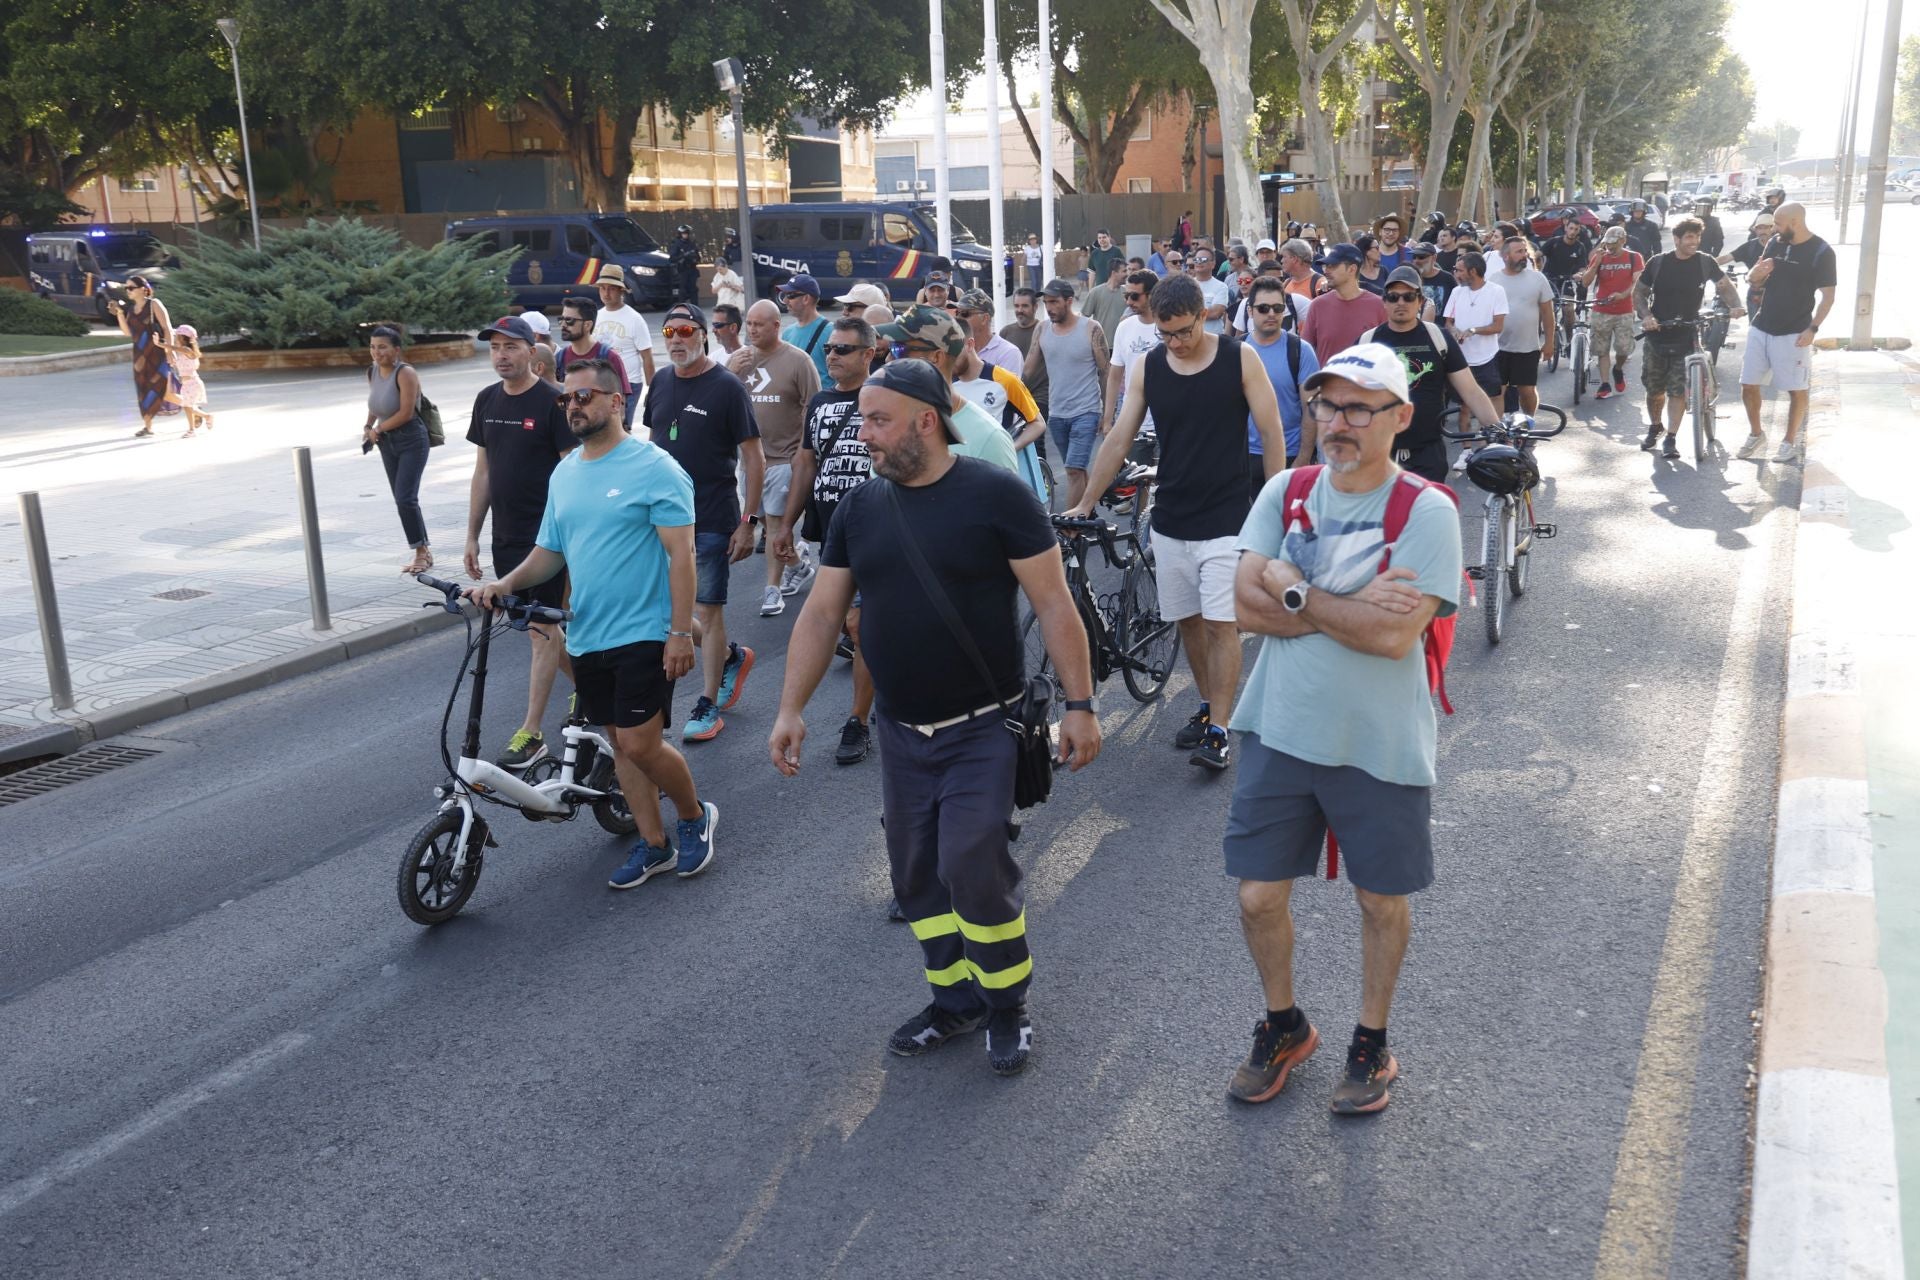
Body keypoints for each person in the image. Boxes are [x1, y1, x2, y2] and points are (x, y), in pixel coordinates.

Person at [769, 358, 1100, 1077]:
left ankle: (1007, 1003)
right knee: (917, 876)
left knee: (972, 863)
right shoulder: (859, 508)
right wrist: (790, 708)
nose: (864, 436)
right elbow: (824, 610)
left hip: (985, 725)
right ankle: (955, 1002)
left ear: (926, 420)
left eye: (877, 420)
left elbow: (1053, 605)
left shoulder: (996, 495)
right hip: (901, 731)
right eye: (861, 420)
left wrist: (1080, 706)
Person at [1224, 342, 1463, 1115]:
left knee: (1377, 901)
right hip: (1278, 729)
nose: (1339, 422)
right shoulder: (1287, 490)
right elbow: (1240, 606)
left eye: (1360, 408)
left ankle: (1372, 1039)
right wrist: (1344, 607)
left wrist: (1295, 590)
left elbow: (1394, 638)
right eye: (1328, 405)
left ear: (1401, 418)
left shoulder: (1426, 511)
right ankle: (1284, 1024)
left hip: (1379, 743)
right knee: (1259, 897)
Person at [470, 356, 719, 890]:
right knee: (617, 741)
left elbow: (682, 556)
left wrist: (680, 633)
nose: (573, 407)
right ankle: (654, 845)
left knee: (640, 743)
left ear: (616, 401)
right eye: (566, 399)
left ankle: (695, 815)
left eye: (583, 397)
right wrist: (503, 584)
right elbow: (548, 552)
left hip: (644, 631)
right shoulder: (565, 472)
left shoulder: (656, 468)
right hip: (587, 632)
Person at [1071, 272, 1287, 773]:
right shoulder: (1149, 366)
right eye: (1167, 335)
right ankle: (1211, 706)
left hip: (1229, 517)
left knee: (1220, 624)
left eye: (1184, 332)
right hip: (1171, 518)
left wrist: (1275, 505)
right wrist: (1084, 503)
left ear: (1203, 315)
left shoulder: (1239, 357)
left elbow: (1271, 432)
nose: (1177, 343)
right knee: (1188, 620)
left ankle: (1220, 730)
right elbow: (1120, 438)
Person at [642, 303, 765, 740]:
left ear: (703, 335)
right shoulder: (658, 382)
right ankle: (730, 656)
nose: (676, 338)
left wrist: (749, 521)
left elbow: (753, 456)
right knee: (665, 608)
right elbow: (650, 448)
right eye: (669, 331)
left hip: (711, 516)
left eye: (685, 330)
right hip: (659, 520)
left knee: (707, 610)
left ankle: (708, 704)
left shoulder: (727, 387)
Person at [463, 315, 578, 770]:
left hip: (549, 541)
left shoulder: (555, 402)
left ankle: (532, 733)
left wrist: (572, 536)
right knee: (543, 630)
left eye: (511, 347)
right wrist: (472, 535)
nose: (501, 355)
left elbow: (574, 474)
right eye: (495, 348)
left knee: (541, 631)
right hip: (505, 539)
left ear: (533, 351)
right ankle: (589, 689)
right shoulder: (486, 400)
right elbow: (484, 472)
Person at [777, 317, 884, 765]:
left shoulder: (883, 398)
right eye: (829, 350)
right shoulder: (820, 402)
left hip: (876, 526)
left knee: (861, 626)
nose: (833, 356)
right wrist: (786, 523)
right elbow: (806, 463)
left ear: (868, 354)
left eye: (843, 349)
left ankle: (858, 721)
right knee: (848, 624)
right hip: (832, 531)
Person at [728, 300, 823, 617]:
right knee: (764, 520)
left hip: (785, 458)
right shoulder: (740, 361)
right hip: (751, 460)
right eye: (749, 324)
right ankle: (797, 564)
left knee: (774, 524)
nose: (752, 330)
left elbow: (814, 406)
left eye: (759, 324)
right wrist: (730, 372)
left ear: (776, 326)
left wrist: (803, 452)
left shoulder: (798, 361)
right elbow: (722, 399)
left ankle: (772, 589)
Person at [1362, 267, 1501, 481]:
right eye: (1393, 297)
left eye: (1409, 296)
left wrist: (1496, 431)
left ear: (1420, 301)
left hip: (1427, 454)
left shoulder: (1439, 338)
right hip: (1377, 454)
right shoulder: (1367, 342)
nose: (1401, 302)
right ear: (1385, 302)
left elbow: (1471, 391)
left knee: (1427, 514)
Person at [1632, 216, 1744, 459]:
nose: (1695, 242)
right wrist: (1646, 316)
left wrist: (1736, 305)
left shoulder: (1705, 262)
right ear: (1677, 239)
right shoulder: (1658, 263)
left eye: (1698, 237)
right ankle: (1655, 426)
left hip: (1688, 334)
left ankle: (1671, 438)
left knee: (1677, 390)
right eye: (1690, 237)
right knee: (1654, 389)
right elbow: (1639, 293)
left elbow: (1724, 286)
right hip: (1657, 334)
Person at [1734, 202, 1834, 463]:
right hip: (1761, 324)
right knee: (1748, 385)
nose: (1773, 229)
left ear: (1795, 222)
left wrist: (1813, 328)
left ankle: (1789, 441)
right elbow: (1756, 279)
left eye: (1778, 224)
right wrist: (1754, 275)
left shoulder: (1821, 251)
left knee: (1795, 389)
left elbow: (1828, 297)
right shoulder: (1775, 243)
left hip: (1794, 331)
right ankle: (1756, 434)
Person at [874, 305, 1020, 474]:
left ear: (936, 357)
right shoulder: (890, 426)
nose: (889, 358)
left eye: (899, 350)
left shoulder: (989, 439)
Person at [1024, 278, 1109, 509]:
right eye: (1046, 302)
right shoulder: (1042, 329)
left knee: (1072, 470)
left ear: (1069, 301)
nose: (1049, 307)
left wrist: (1107, 414)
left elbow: (1105, 372)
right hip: (1057, 413)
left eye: (1054, 302)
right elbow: (1029, 369)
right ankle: (1087, 516)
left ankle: (1068, 531)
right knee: (1077, 471)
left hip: (1087, 411)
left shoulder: (1091, 329)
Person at [1242, 276, 1321, 501]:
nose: (1271, 314)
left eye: (1278, 308)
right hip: (1245, 458)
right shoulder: (1238, 350)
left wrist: (1303, 459)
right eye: (1263, 308)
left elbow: (1311, 409)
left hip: (1289, 455)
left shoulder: (1300, 350)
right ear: (1250, 311)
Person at [362, 325, 433, 574]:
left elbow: (405, 412)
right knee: (401, 499)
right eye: (372, 346)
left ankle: (421, 553)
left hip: (411, 439)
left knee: (405, 498)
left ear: (396, 349)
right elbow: (376, 402)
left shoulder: (405, 373)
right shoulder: (372, 372)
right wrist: (368, 425)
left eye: (382, 347)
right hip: (386, 443)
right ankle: (423, 547)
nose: (376, 352)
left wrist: (378, 430)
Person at [956, 343, 1049, 504]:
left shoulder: (1005, 380)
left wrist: (1011, 447)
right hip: (958, 473)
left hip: (994, 473)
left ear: (970, 344)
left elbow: (1037, 423)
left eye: (953, 352)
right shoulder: (943, 383)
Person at [1488, 233, 1556, 414]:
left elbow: (1548, 314)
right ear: (1505, 256)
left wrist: (1549, 342)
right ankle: (1499, 430)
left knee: (1526, 391)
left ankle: (1528, 424)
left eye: (1525, 251)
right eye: (1519, 252)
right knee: (1497, 392)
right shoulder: (1493, 280)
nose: (1524, 255)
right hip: (1498, 348)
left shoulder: (1538, 279)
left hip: (1527, 348)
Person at [1577, 226, 1644, 399]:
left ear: (1623, 240)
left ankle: (1618, 369)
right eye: (1607, 243)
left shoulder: (1633, 257)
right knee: (1601, 349)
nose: (1610, 247)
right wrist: (1596, 263)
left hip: (1624, 310)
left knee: (1624, 348)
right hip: (1601, 310)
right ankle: (1605, 384)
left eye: (1614, 243)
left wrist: (1622, 295)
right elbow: (1585, 282)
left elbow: (1639, 282)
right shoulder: (1600, 256)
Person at [1101, 268, 1162, 442]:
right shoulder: (1124, 327)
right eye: (1126, 296)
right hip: (1132, 421)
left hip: (1167, 421)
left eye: (1134, 296)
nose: (1128, 301)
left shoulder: (1170, 325)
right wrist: (1107, 420)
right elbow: (1115, 376)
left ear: (1152, 295)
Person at [1299, 243, 1388, 361]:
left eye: (1333, 266)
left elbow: (1389, 353)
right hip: (1326, 378)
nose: (1326, 271)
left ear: (1352, 269)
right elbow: (1305, 353)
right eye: (1326, 266)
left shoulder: (1379, 306)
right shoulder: (1317, 306)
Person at [593, 266, 656, 429]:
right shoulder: (595, 316)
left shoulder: (634, 319)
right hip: (600, 383)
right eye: (602, 288)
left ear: (621, 291)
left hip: (628, 384)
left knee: (622, 428)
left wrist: (653, 390)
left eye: (611, 289)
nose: (606, 293)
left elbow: (647, 356)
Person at [1441, 251, 1508, 403]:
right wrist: (1454, 332)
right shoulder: (1456, 292)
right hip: (1462, 360)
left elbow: (1498, 326)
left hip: (1488, 359)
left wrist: (1473, 331)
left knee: (1493, 400)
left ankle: (1492, 428)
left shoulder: (1496, 291)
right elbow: (1448, 323)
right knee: (1464, 406)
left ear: (1472, 271)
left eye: (1459, 270)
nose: (1455, 273)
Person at [112, 276, 174, 438]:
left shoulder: (154, 304)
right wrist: (119, 313)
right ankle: (148, 426)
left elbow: (167, 328)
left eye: (131, 288)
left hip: (157, 353)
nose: (128, 291)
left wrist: (170, 350)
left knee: (162, 390)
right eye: (126, 288)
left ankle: (195, 410)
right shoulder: (131, 310)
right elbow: (127, 333)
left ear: (142, 289)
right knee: (143, 390)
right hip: (140, 355)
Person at [554, 297, 632, 403]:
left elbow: (621, 402)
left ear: (587, 325)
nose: (563, 325)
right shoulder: (559, 358)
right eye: (561, 319)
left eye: (569, 320)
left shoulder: (609, 357)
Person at [1538, 217, 1593, 340]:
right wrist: (1536, 269)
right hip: (1549, 280)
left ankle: (1569, 342)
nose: (1573, 231)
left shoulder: (1580, 247)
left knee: (1568, 309)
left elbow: (1582, 267)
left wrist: (1580, 274)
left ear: (1579, 231)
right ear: (1565, 228)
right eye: (1571, 228)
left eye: (1576, 229)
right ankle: (1536, 339)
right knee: (1541, 311)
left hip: (1567, 281)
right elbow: (1537, 255)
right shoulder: (1553, 242)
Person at [1000, 287, 1050, 417]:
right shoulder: (1006, 332)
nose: (1020, 310)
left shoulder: (1045, 331)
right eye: (1016, 306)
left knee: (1036, 436)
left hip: (1040, 396)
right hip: (1012, 394)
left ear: (1035, 307)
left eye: (1025, 306)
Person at [1718, 213, 1776, 315]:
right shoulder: (1750, 246)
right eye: (1759, 228)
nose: (1762, 231)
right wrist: (1704, 262)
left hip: (1778, 294)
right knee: (1754, 326)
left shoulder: (1782, 245)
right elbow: (1727, 257)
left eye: (1766, 228)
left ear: (1773, 228)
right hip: (1756, 294)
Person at [779, 274, 834, 380]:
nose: (785, 301)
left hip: (820, 396)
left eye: (790, 295)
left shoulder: (831, 332)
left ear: (806, 299)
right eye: (784, 295)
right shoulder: (787, 333)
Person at [162, 323, 212, 435]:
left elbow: (173, 348)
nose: (175, 338)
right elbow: (175, 356)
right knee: (187, 406)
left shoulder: (187, 350)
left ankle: (192, 430)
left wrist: (160, 344)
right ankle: (207, 417)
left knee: (187, 406)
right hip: (187, 383)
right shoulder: (183, 353)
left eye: (177, 336)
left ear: (182, 338)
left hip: (192, 383)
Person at [956, 288, 1022, 371]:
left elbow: (1007, 384)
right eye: (957, 313)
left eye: (964, 314)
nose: (958, 318)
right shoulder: (955, 350)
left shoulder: (1008, 353)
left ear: (984, 318)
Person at [1080, 254, 1132, 338]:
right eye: (1124, 271)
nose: (1127, 274)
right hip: (1101, 345)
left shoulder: (1128, 293)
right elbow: (1083, 318)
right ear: (1114, 273)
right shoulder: (1095, 292)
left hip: (1122, 343)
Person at [1407, 241, 1454, 320]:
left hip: (1439, 329)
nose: (1416, 261)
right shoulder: (1409, 278)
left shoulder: (1447, 278)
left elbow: (1455, 305)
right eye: (1414, 257)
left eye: (1421, 257)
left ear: (1434, 258)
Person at [1190, 247, 1232, 333]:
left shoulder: (1221, 287)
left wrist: (1188, 313)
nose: (1199, 262)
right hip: (1191, 337)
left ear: (1213, 264)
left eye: (1203, 260)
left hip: (1214, 339)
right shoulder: (1186, 285)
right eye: (1196, 260)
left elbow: (1215, 313)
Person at [1280, 238, 1328, 302]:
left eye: (1284, 257)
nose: (1281, 260)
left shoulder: (1320, 283)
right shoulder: (1286, 283)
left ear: (1294, 258)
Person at [669, 224, 701, 303]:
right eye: (684, 233)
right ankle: (682, 306)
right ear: (680, 234)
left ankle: (694, 306)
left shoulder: (691, 244)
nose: (686, 235)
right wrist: (683, 256)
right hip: (682, 270)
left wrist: (694, 258)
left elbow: (698, 257)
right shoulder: (676, 244)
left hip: (692, 269)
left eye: (687, 233)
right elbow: (672, 259)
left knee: (693, 289)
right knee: (683, 290)